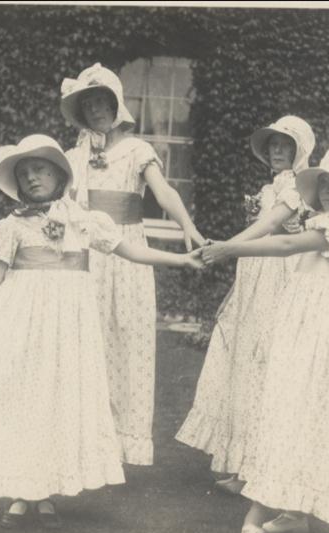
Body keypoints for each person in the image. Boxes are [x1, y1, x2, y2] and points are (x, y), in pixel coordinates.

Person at [0, 135, 202, 528]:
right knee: (26, 401)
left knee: (57, 403)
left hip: (68, 332)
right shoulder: (11, 227)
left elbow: (130, 251)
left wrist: (180, 260)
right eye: (25, 174)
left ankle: (46, 492)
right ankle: (22, 492)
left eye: (40, 170)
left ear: (60, 175)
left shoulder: (84, 221)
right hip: (23, 326)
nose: (32, 178)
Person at [200, 144, 329, 533]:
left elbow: (288, 245)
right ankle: (290, 511)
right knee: (291, 408)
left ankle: (258, 519)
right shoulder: (327, 219)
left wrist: (229, 248)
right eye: (323, 182)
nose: (326, 190)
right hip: (303, 322)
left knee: (317, 412)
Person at [60, 63, 206, 466]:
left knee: (129, 339)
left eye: (101, 101)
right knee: (85, 340)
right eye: (88, 104)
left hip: (127, 253)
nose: (95, 110)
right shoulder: (73, 156)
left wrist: (188, 226)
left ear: (115, 104)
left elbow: (163, 192)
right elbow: (61, 205)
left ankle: (125, 441)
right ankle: (84, 438)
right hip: (86, 253)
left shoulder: (137, 150)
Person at [175, 116, 315, 494]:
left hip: (279, 278)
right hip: (254, 276)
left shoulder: (298, 188)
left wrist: (227, 247)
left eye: (285, 146)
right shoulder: (270, 187)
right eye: (273, 145)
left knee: (265, 365)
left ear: (300, 150)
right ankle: (242, 463)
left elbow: (268, 227)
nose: (277, 151)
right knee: (244, 364)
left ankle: (260, 467)